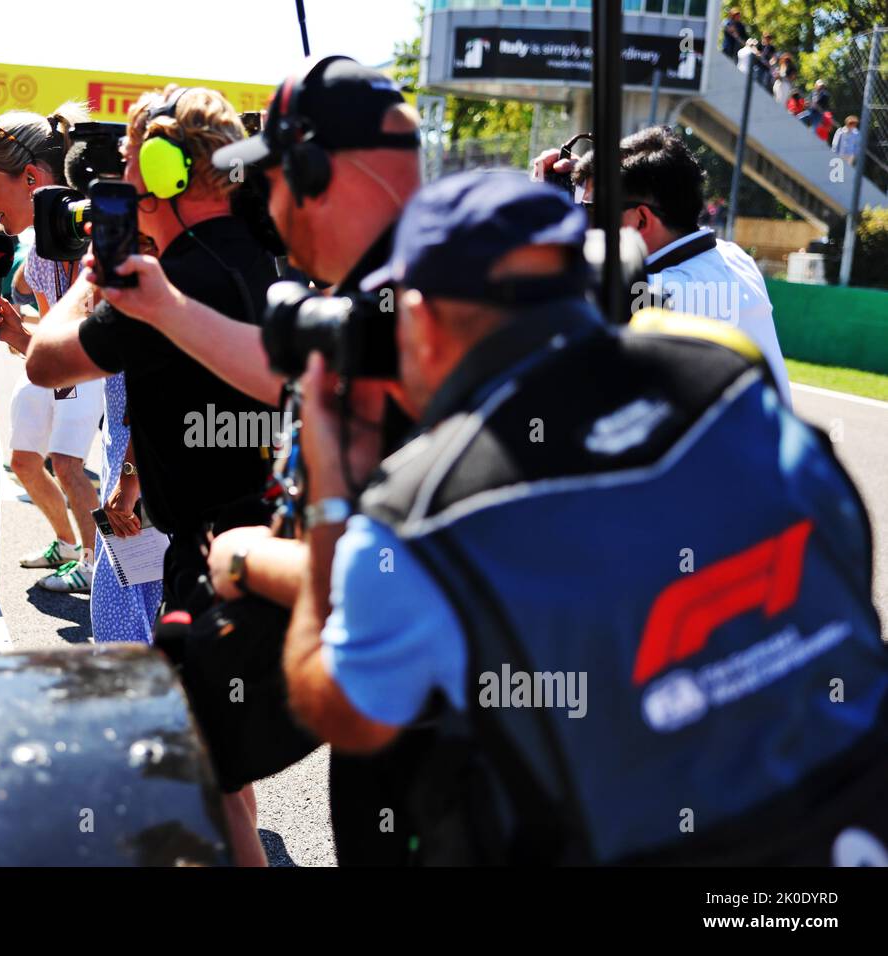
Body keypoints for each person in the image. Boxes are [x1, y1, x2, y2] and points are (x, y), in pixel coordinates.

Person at [283, 169, 888, 866]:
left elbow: (344, 713)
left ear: (420, 316)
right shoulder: (735, 382)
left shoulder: (419, 515)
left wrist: (329, 489)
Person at [83, 56, 424, 867]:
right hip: (433, 708)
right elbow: (283, 368)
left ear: (311, 173)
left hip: (432, 733)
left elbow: (393, 570)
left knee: (178, 744)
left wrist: (246, 558)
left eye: (271, 177)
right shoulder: (395, 293)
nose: (261, 203)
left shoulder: (414, 308)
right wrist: (162, 306)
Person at [2, 85, 279, 865]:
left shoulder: (168, 284)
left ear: (161, 171)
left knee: (187, 763)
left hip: (206, 556)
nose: (116, 185)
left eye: (127, 166)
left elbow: (50, 360)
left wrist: (95, 274)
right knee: (217, 772)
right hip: (260, 543)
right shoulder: (264, 255)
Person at [533, 125, 792, 406]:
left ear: (641, 220)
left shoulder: (663, 294)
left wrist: (545, 217)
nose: (585, 221)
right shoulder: (734, 257)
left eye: (592, 210)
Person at [0, 105, 106, 594]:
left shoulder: (98, 242)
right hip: (122, 441)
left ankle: (98, 562)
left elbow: (78, 358)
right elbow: (59, 342)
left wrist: (18, 335)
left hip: (136, 437)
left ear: (31, 178)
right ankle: (90, 556)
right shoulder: (44, 250)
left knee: (100, 496)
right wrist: (17, 330)